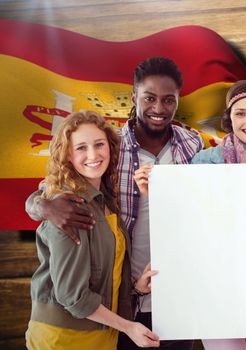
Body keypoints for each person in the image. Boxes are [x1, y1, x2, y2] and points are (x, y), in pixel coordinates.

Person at [25, 57, 203, 350]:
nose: (159, 108)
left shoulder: (191, 144)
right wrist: (44, 207)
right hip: (122, 300)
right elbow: (50, 189)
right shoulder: (110, 148)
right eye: (149, 98)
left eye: (168, 100)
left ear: (178, 100)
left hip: (178, 291)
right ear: (134, 97)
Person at [134, 79, 246, 350]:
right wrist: (155, 193)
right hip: (214, 285)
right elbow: (186, 216)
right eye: (240, 113)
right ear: (230, 118)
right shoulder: (206, 161)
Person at [25, 111, 159, 349]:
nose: (93, 155)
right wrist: (128, 326)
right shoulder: (68, 205)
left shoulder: (104, 201)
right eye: (81, 148)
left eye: (99, 144)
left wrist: (136, 287)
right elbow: (72, 297)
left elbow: (103, 271)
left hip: (102, 333)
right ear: (67, 154)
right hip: (65, 337)